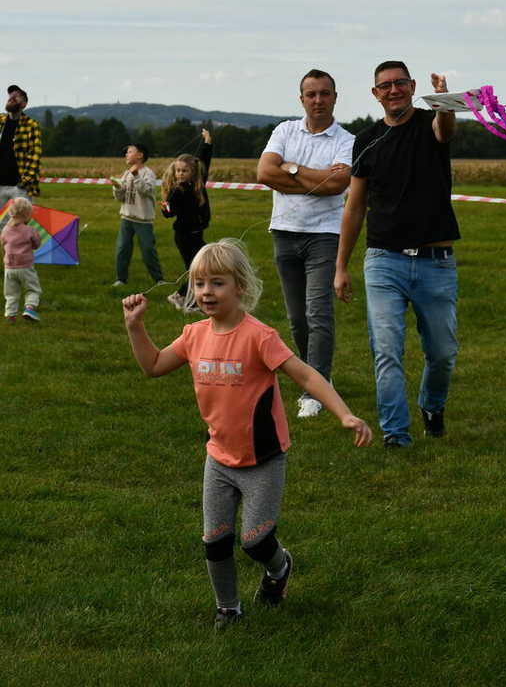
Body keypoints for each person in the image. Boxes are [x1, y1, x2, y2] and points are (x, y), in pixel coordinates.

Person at [122, 239, 372, 631]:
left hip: (263, 459)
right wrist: (135, 327)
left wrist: (344, 413)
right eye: (199, 284)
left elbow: (305, 374)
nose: (206, 292)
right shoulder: (193, 335)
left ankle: (280, 567)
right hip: (219, 458)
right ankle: (228, 607)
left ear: (240, 286)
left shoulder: (259, 336)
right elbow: (153, 365)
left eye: (217, 283)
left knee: (256, 542)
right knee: (216, 540)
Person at [334, 62, 460, 447]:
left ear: (412, 87)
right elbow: (354, 208)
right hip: (383, 260)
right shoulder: (367, 140)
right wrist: (341, 266)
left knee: (441, 353)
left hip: (435, 262)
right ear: (375, 94)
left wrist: (443, 100)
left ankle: (432, 405)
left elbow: (446, 129)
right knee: (386, 350)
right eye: (385, 86)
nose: (394, 90)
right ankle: (395, 435)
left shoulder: (429, 123)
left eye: (400, 83)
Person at [257, 70, 354, 419]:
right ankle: (314, 373)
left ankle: (317, 387)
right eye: (311, 94)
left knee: (318, 314)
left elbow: (337, 184)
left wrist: (292, 170)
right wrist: (315, 177)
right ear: (301, 99)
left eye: (324, 93)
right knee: (297, 319)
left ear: (334, 97)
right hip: (284, 232)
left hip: (324, 236)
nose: (318, 100)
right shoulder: (284, 130)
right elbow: (265, 173)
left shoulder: (345, 140)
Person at [160, 128, 213, 309]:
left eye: (184, 171)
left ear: (193, 171)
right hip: (184, 236)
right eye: (178, 171)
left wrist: (207, 142)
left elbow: (204, 160)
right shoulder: (177, 191)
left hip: (196, 234)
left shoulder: (198, 184)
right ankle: (180, 297)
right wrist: (165, 208)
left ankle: (190, 300)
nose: (180, 174)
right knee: (196, 270)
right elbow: (169, 213)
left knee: (202, 268)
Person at [111, 143, 164, 287]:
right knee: (122, 249)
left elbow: (147, 191)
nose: (126, 155)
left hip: (143, 220)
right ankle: (121, 279)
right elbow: (120, 198)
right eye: (126, 153)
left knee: (148, 250)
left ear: (140, 155)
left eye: (129, 152)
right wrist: (116, 188)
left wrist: (136, 175)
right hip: (126, 218)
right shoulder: (126, 173)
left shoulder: (148, 173)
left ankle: (159, 279)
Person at [0, 85, 42, 209]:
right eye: (10, 95)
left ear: (24, 104)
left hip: (19, 188)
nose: (12, 97)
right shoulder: (1, 121)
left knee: (19, 224)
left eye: (16, 96)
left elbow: (35, 155)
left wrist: (25, 182)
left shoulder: (31, 125)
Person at [1, 196, 42, 323]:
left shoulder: (5, 230)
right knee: (33, 289)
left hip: (9, 268)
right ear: (28, 215)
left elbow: (3, 244)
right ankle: (29, 308)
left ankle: (10, 315)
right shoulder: (30, 230)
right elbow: (36, 244)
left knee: (11, 293)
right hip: (26, 267)